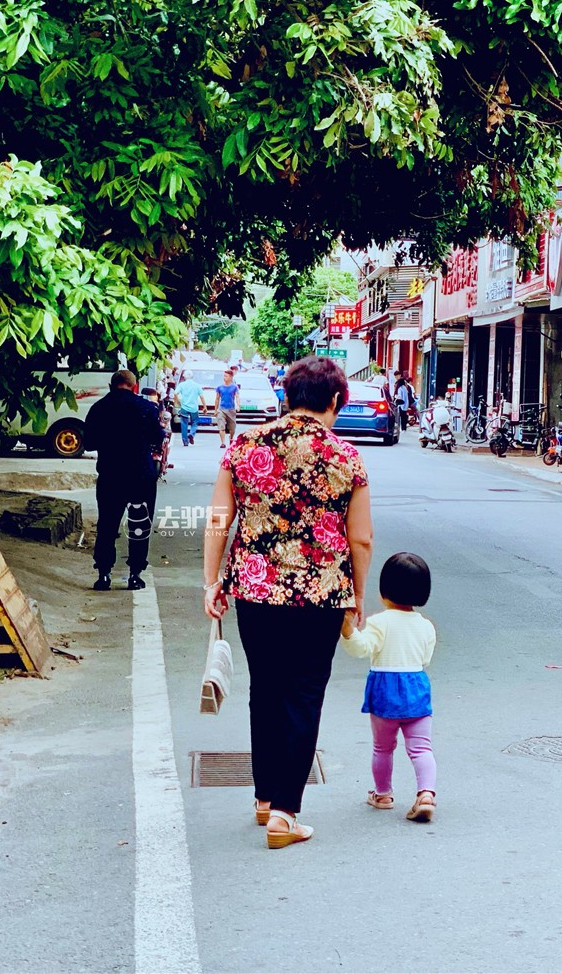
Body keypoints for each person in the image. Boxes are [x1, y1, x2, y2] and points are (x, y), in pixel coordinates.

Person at [202, 357, 372, 850]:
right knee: (304, 694)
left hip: (255, 590)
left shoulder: (244, 445)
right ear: (337, 401)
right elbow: (360, 540)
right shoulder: (346, 457)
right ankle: (285, 813)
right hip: (321, 594)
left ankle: (263, 797)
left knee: (266, 688)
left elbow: (218, 518)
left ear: (286, 395)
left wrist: (211, 581)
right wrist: (356, 596)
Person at [341, 552, 438, 823]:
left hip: (385, 689)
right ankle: (426, 793)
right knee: (421, 748)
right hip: (416, 687)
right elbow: (425, 659)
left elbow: (361, 649)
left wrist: (348, 630)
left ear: (385, 590)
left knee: (383, 748)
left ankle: (383, 794)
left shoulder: (379, 622)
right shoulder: (426, 626)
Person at [84, 370, 164, 591]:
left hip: (111, 475)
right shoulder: (147, 408)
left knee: (107, 525)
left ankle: (104, 575)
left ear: (111, 386)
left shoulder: (99, 408)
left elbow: (88, 443)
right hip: (141, 476)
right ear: (135, 386)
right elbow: (158, 438)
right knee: (139, 525)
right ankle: (135, 575)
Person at [216, 368, 241, 448]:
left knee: (232, 428)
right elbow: (217, 399)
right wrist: (215, 409)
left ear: (230, 377)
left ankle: (231, 437)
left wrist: (238, 405)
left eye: (226, 376)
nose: (224, 378)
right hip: (221, 409)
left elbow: (237, 396)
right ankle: (223, 443)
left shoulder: (234, 387)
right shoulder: (220, 387)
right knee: (221, 427)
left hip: (231, 409)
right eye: (224, 376)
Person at [176, 370, 202, 446]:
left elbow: (175, 393)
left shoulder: (181, 385)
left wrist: (177, 401)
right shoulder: (197, 385)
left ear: (184, 377)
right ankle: (191, 433)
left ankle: (185, 441)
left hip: (184, 407)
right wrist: (204, 407)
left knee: (184, 423)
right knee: (195, 422)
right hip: (194, 408)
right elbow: (202, 397)